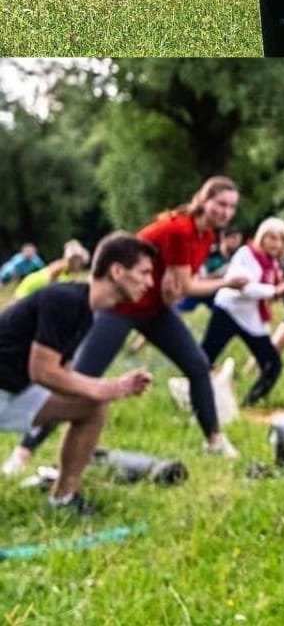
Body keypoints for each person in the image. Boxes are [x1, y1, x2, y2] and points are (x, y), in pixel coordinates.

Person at [6, 179, 247, 477]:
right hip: (119, 307)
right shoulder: (180, 228)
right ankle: (23, 453)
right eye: (220, 203)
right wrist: (228, 283)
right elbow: (184, 285)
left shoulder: (205, 235)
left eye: (232, 207)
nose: (226, 212)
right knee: (80, 378)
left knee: (197, 364)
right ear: (204, 199)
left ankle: (214, 439)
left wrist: (174, 290)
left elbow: (175, 288)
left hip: (154, 309)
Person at [0, 233, 157, 515]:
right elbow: (43, 371)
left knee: (91, 407)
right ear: (117, 271)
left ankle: (63, 499)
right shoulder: (65, 300)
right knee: (96, 396)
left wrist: (105, 390)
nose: (150, 283)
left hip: (14, 393)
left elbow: (61, 375)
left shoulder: (86, 311)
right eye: (144, 273)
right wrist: (107, 387)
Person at [203, 217, 284, 406]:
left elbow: (271, 292)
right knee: (204, 359)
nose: (276, 244)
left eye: (281, 239)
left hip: (252, 319)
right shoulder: (246, 254)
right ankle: (197, 400)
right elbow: (244, 287)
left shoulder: (274, 264)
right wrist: (273, 291)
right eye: (272, 238)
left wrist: (281, 293)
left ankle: (249, 403)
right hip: (228, 312)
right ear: (262, 237)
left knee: (272, 365)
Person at [178, 228, 243, 315]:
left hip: (220, 291)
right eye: (234, 238)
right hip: (201, 287)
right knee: (181, 309)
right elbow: (200, 276)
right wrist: (221, 273)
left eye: (239, 239)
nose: (237, 242)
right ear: (224, 238)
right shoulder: (209, 252)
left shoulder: (238, 256)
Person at [12, 241, 89, 302]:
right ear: (73, 260)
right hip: (30, 289)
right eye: (80, 262)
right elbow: (52, 287)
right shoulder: (60, 267)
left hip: (34, 289)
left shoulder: (67, 271)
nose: (81, 266)